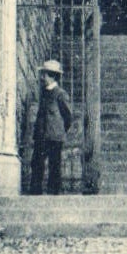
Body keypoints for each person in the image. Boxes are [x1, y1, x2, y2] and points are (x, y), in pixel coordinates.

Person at [30, 60, 73, 194]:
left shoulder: (60, 94)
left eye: (45, 75)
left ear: (53, 76)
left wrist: (59, 131)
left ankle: (53, 192)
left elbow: (68, 116)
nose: (42, 78)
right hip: (41, 135)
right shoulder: (43, 92)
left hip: (54, 136)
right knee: (37, 163)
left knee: (54, 165)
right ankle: (35, 192)